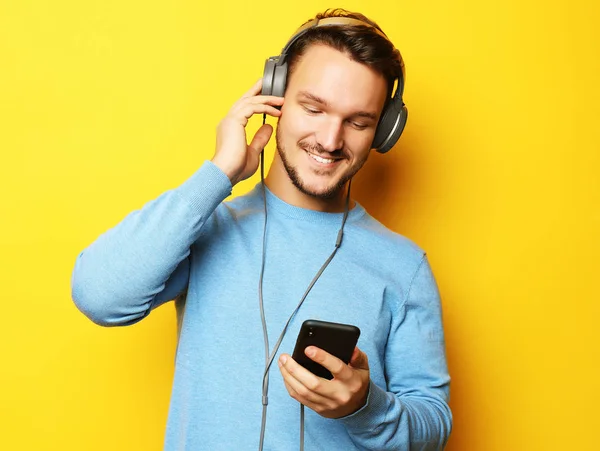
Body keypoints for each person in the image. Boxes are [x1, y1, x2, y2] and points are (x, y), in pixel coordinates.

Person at [71, 8, 452, 450]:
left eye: (358, 122)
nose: (330, 140)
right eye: (313, 108)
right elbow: (99, 295)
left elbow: (433, 426)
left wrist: (363, 406)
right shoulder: (204, 230)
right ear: (274, 96)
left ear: (383, 131)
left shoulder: (403, 266)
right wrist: (219, 173)